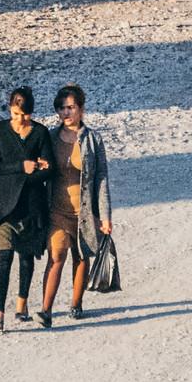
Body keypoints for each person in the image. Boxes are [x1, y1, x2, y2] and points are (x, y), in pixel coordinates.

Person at [0, 86, 55, 333]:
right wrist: (20, 166)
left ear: (31, 112)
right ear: (9, 110)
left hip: (31, 207)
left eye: (24, 115)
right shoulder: (0, 130)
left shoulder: (41, 133)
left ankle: (22, 303)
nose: (19, 120)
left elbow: (50, 169)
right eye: (15, 114)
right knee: (4, 257)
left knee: (26, 256)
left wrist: (39, 168)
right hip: (3, 204)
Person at [38, 84, 112, 328]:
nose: (66, 113)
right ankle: (46, 310)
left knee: (81, 257)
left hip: (85, 212)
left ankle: (76, 304)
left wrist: (105, 216)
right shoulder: (49, 137)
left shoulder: (93, 139)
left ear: (81, 108)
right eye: (61, 108)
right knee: (56, 255)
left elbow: (101, 178)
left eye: (70, 107)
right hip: (57, 210)